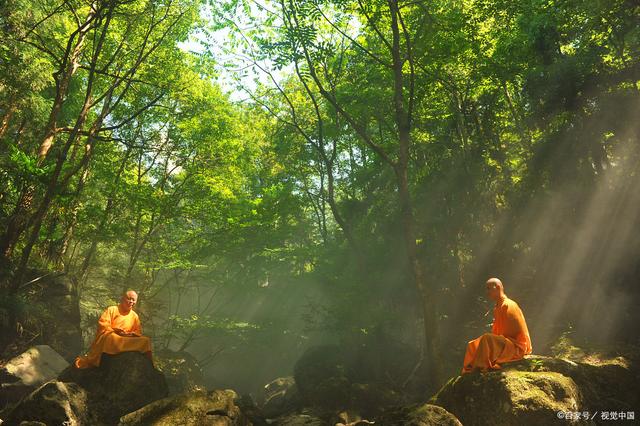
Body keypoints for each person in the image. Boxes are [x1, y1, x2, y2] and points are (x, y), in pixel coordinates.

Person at [461, 278, 532, 374]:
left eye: (489, 288)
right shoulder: (497, 307)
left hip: (516, 346)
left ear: (498, 287)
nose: (487, 292)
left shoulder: (509, 305)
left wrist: (498, 338)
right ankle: (472, 366)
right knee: (473, 344)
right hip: (505, 342)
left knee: (487, 338)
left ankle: (480, 367)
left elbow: (515, 331)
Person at [75, 290, 152, 368]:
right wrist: (115, 330)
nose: (131, 302)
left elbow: (138, 331)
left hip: (127, 339)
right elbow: (103, 324)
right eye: (129, 299)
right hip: (114, 337)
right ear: (123, 299)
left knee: (146, 340)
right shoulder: (112, 309)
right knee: (111, 337)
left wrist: (131, 334)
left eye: (133, 300)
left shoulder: (134, 316)